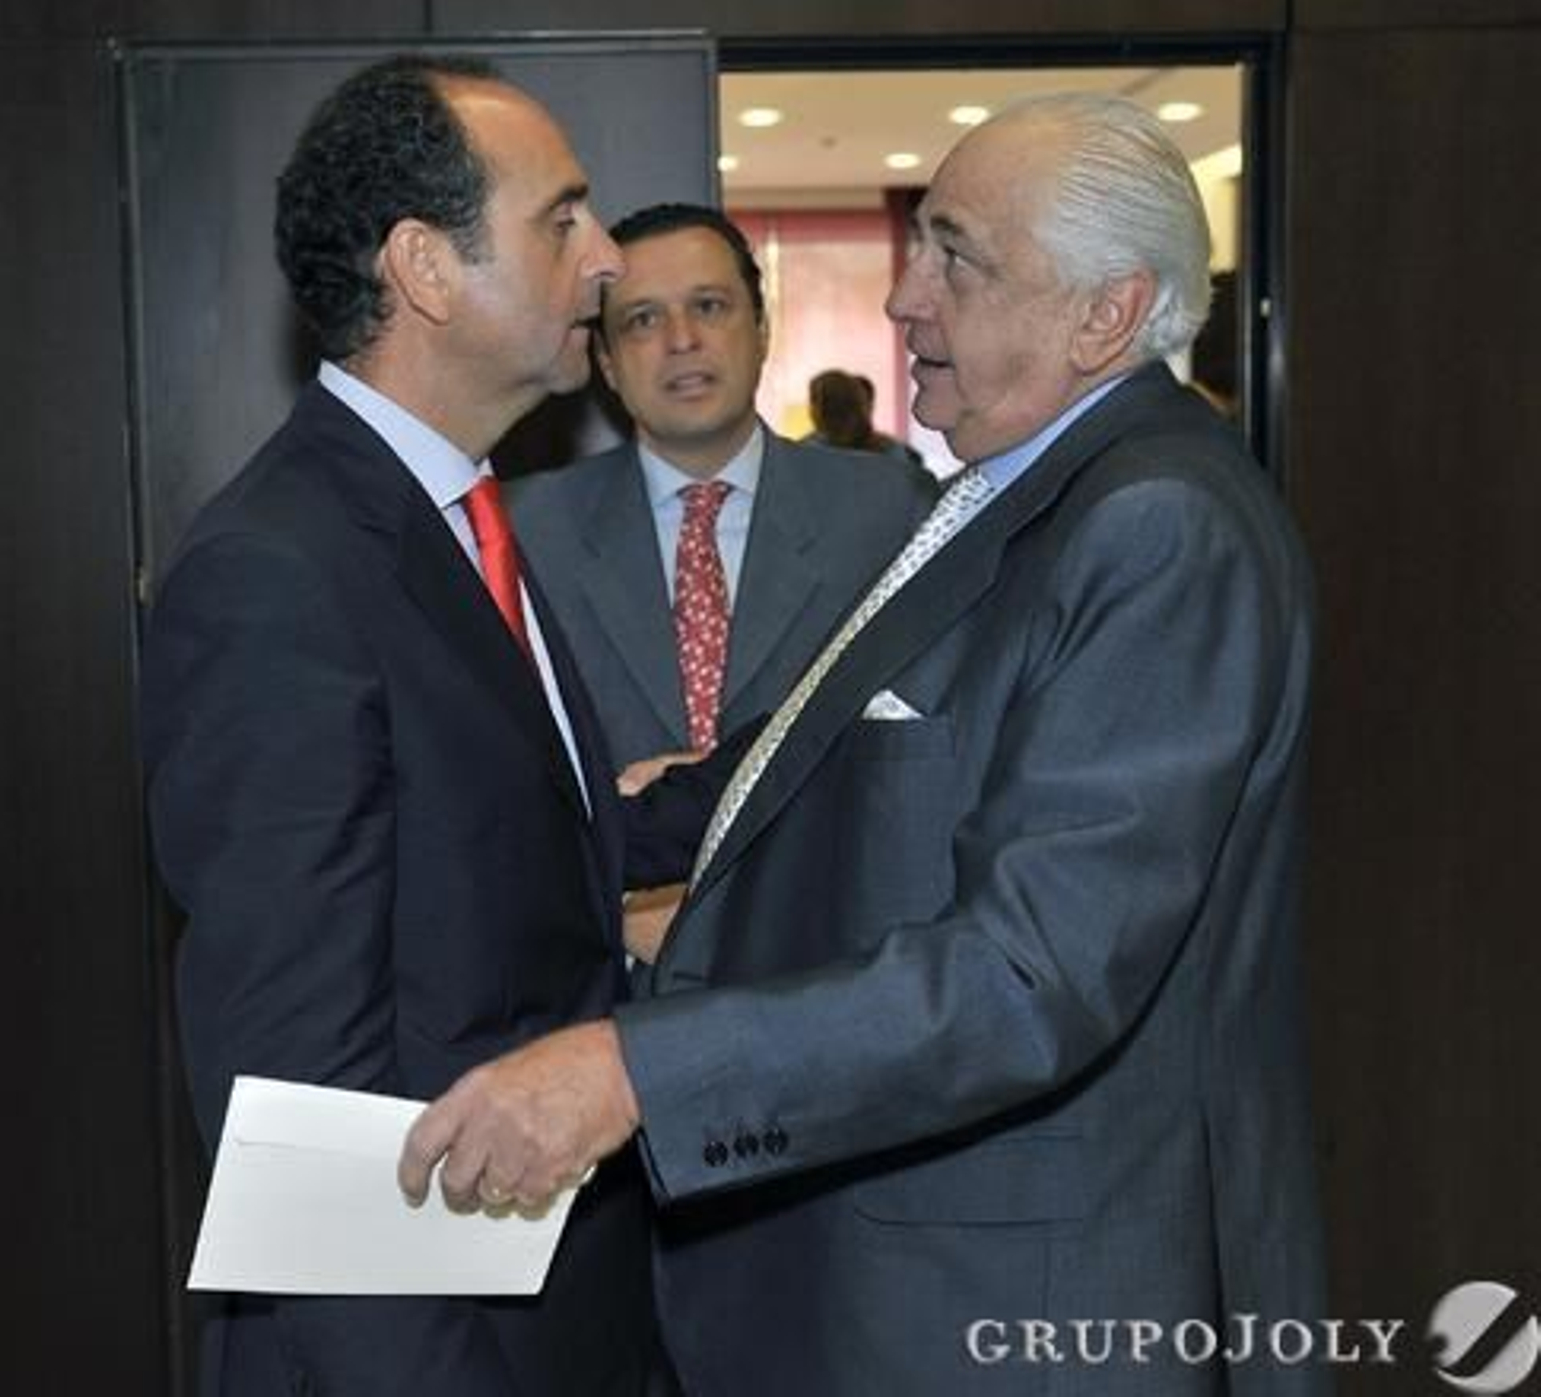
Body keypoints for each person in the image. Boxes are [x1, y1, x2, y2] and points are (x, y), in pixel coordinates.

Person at [399, 91, 1329, 1396]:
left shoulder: (1156, 525)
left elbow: (1028, 975)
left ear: (1106, 313)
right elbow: (830, 750)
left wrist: (634, 1070)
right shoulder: (1016, 490)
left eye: (956, 257)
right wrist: (537, 840)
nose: (902, 298)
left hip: (1031, 1306)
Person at [141, 54, 709, 1397]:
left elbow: (516, 845)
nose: (606, 258)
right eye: (560, 220)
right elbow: (303, 1105)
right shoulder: (278, 572)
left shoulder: (459, 521)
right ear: (426, 268)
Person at [507, 203, 934, 771]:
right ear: (607, 362)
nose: (682, 339)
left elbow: (931, 738)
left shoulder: (890, 514)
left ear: (761, 329)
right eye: (643, 320)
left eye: (708, 306)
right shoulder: (528, 532)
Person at [805, 366, 925, 467]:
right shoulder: (805, 452)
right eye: (815, 401)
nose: (818, 411)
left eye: (832, 404)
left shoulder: (891, 454)